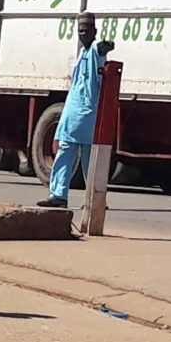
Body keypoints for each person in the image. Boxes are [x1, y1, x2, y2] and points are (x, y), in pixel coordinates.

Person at [36, 15, 113, 211]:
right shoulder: (82, 53)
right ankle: (92, 199)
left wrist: (106, 44)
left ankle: (63, 195)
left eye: (87, 30)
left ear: (94, 32)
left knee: (71, 154)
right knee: (83, 158)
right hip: (75, 113)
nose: (83, 33)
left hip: (83, 114)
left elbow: (102, 48)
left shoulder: (95, 50)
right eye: (80, 30)